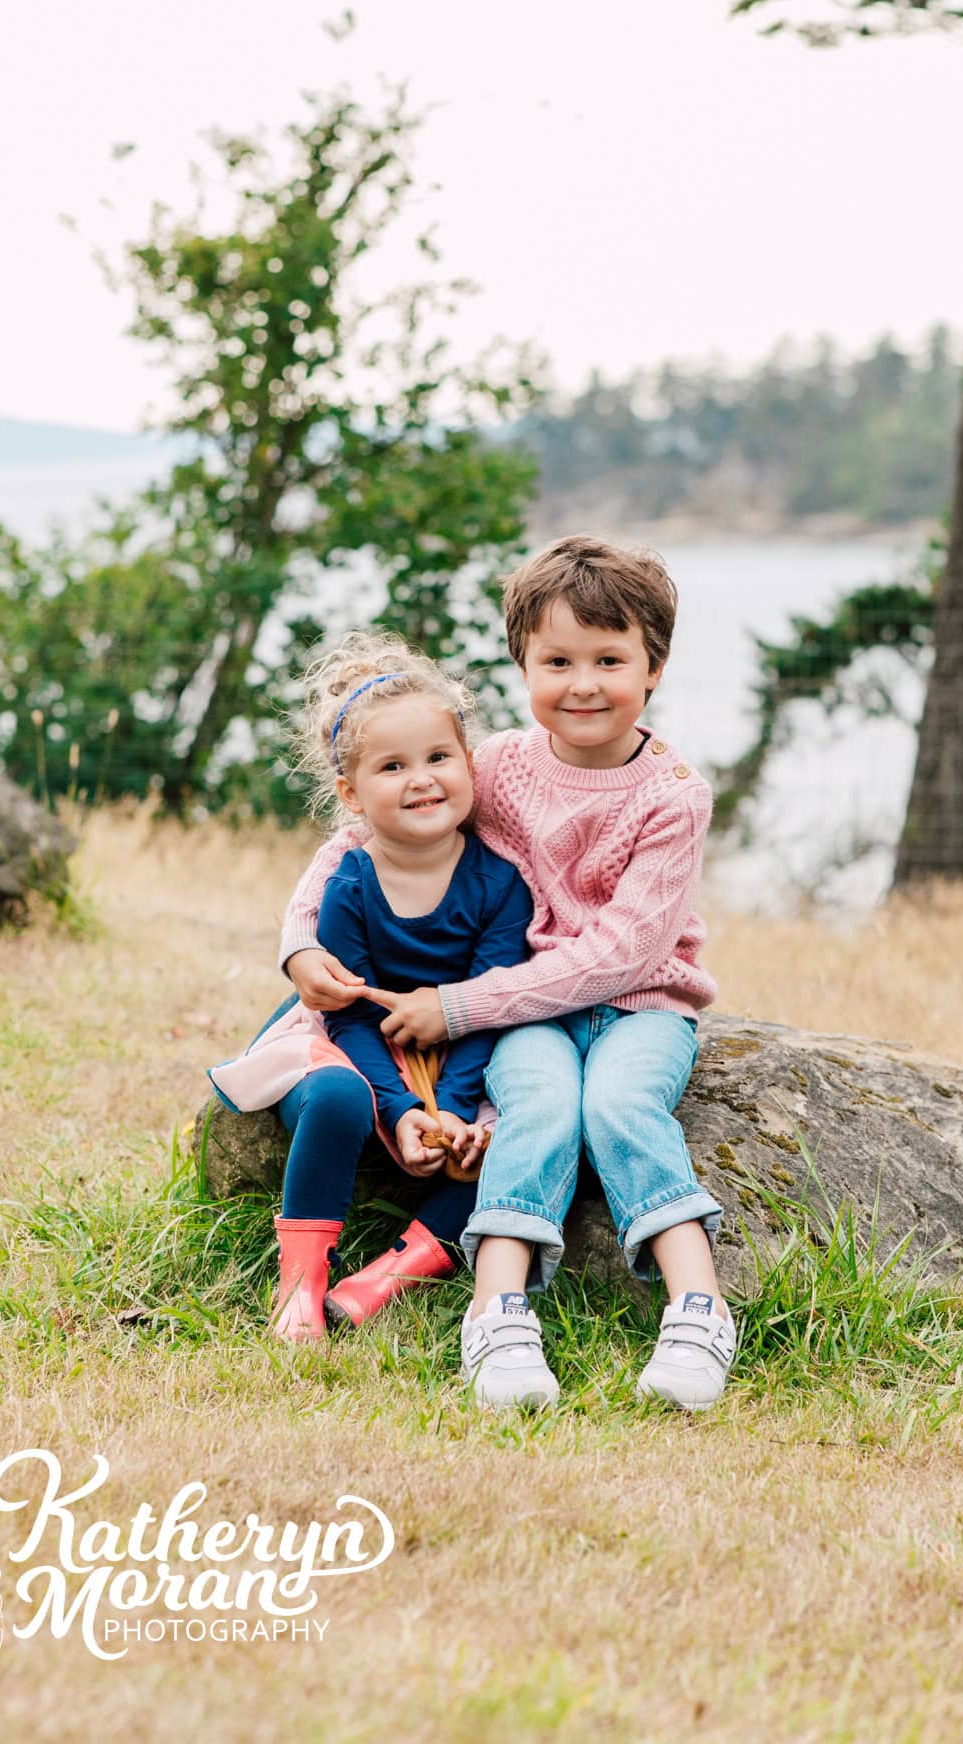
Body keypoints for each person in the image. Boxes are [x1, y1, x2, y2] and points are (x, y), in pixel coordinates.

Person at [280, 536, 735, 1411]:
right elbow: (357, 842)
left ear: (655, 667)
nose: (583, 683)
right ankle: (496, 1314)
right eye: (556, 661)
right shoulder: (498, 765)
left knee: (619, 1106)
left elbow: (621, 957)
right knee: (537, 1110)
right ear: (521, 664)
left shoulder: (674, 794)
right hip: (526, 1018)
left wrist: (458, 1006)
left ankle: (698, 1309)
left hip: (639, 1009)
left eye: (610, 659)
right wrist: (301, 946)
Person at [258, 633, 532, 1344]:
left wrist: (459, 1110)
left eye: (439, 758)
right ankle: (301, 1286)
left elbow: (487, 1004)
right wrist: (403, 1107)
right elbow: (345, 1015)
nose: (421, 779)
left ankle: (385, 1278)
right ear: (350, 793)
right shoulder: (350, 881)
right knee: (337, 1097)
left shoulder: (499, 885)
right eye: (392, 766)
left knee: (512, 1142)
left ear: (469, 763)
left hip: (459, 1048)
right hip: (353, 1044)